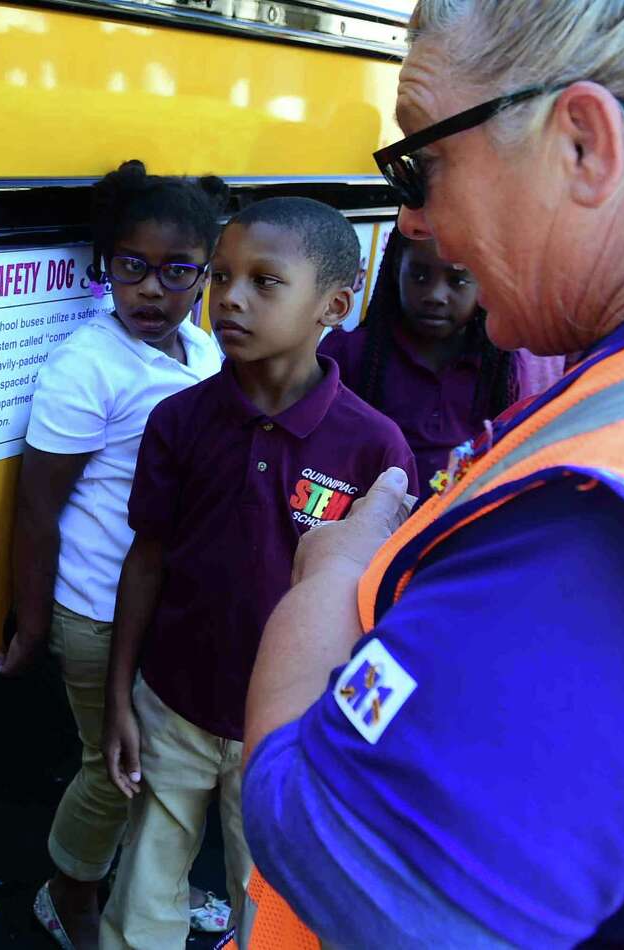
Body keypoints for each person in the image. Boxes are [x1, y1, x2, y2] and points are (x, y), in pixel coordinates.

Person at [243, 1, 624, 947]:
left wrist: (328, 583)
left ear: (583, 146)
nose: (413, 217)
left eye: (423, 160)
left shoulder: (605, 524)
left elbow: (315, 831)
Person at [99, 197, 418, 950]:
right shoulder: (178, 421)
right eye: (221, 277)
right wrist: (120, 694)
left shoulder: (374, 449)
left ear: (334, 305)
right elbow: (146, 557)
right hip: (173, 705)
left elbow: (382, 607)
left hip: (292, 732)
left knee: (268, 901)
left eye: (265, 282)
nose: (230, 299)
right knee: (145, 887)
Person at [0, 159, 229, 949]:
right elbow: (38, 505)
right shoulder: (85, 367)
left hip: (167, 598)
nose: (152, 292)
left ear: (205, 273)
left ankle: (145, 881)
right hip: (97, 607)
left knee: (165, 758)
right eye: (131, 268)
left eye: (176, 272)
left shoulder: (201, 350)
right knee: (113, 767)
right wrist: (32, 625)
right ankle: (68, 892)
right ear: (105, 266)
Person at [320, 227, 565, 501]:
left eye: (458, 280)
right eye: (420, 276)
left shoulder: (507, 367)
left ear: (483, 283)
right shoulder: (350, 353)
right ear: (395, 270)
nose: (435, 295)